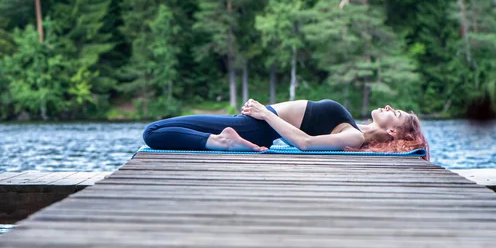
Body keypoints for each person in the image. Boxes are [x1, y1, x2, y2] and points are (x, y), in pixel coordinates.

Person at [142, 99, 430, 160]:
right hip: (253, 123)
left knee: (153, 132)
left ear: (393, 132)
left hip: (254, 127)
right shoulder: (357, 128)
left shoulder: (355, 136)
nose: (390, 107)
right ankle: (219, 141)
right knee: (163, 130)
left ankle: (222, 144)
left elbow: (304, 143)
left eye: (397, 113)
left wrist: (265, 115)